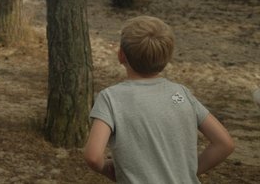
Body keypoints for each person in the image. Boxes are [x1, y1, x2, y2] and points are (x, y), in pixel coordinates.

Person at [84, 15, 235, 183]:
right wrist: (184, 173)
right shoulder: (181, 95)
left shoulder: (111, 98)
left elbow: (93, 156)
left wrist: (106, 169)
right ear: (167, 59)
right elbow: (225, 144)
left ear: (121, 56)